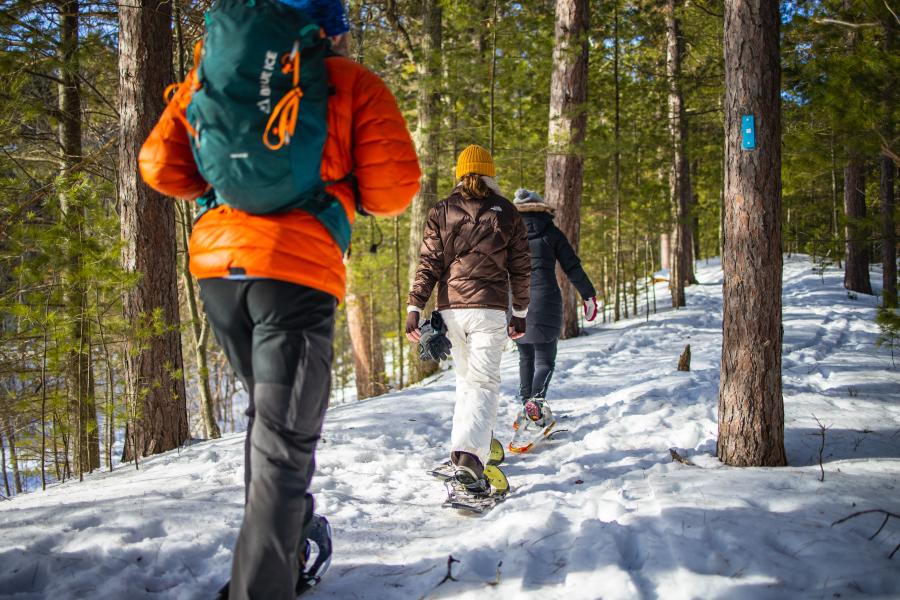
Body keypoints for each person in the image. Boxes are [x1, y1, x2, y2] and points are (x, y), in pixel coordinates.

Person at [143, 1, 420, 597]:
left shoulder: (212, 78)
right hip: (294, 278)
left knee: (271, 431)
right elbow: (394, 191)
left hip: (219, 274)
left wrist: (228, 175)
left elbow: (160, 168)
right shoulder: (349, 83)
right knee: (281, 446)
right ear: (331, 28)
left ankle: (289, 546)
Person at [406, 145, 531, 494]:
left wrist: (414, 307)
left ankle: (463, 454)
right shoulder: (506, 212)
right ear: (490, 174)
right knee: (483, 384)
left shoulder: (442, 211)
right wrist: (519, 313)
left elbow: (428, 263)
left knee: (467, 382)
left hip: (451, 310)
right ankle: (470, 461)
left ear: (460, 174)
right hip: (488, 309)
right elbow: (522, 269)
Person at [511, 188, 597, 427]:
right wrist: (588, 296)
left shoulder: (508, 234)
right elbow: (573, 267)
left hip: (515, 304)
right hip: (545, 301)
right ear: (541, 208)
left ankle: (527, 405)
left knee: (525, 356)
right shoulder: (551, 232)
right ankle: (535, 406)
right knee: (545, 361)